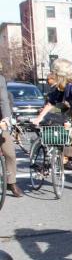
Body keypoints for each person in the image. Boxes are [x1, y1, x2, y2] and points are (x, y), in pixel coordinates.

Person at [32, 58, 72, 195]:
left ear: (59, 74)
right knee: (58, 138)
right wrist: (39, 118)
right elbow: (51, 102)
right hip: (71, 116)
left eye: (54, 71)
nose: (51, 74)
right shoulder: (62, 87)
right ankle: (58, 160)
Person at [0, 68, 22, 197]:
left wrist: (7, 119)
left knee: (10, 153)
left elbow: (3, 101)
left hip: (0, 122)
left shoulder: (1, 80)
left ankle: (11, 182)